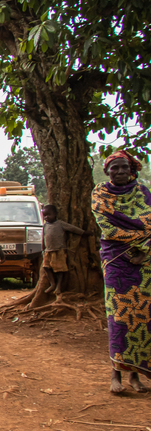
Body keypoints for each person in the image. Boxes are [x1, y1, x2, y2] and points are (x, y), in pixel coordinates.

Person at [93, 150, 151, 394]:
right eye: (114, 168)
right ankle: (115, 373)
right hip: (116, 260)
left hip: (144, 262)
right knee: (118, 316)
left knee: (142, 318)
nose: (118, 172)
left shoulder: (143, 193)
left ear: (132, 170)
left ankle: (135, 376)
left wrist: (144, 251)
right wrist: (137, 241)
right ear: (106, 171)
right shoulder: (101, 193)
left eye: (123, 168)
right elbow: (106, 226)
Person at [41, 204, 87, 295]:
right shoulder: (45, 226)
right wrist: (42, 249)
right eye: (44, 216)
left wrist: (83, 233)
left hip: (59, 251)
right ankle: (52, 284)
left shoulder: (60, 224)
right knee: (46, 267)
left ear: (55, 214)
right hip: (48, 251)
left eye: (49, 215)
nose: (46, 217)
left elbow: (72, 228)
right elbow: (43, 237)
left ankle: (58, 287)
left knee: (60, 270)